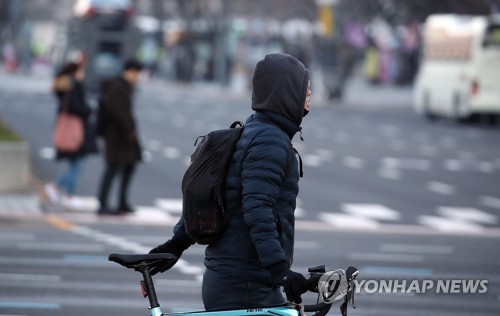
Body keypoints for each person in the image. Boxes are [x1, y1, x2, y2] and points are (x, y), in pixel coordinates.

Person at [149, 53, 312, 310]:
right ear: (286, 92)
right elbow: (258, 208)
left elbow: (219, 196)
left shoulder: (253, 132)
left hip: (236, 277)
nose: (309, 94)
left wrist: (176, 244)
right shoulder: (269, 141)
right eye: (304, 88)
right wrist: (279, 269)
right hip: (246, 283)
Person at [96, 59, 144, 215]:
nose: (137, 77)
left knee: (128, 166)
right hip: (117, 136)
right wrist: (129, 131)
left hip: (120, 135)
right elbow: (118, 112)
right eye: (137, 74)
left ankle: (121, 202)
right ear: (130, 71)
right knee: (113, 168)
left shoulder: (122, 86)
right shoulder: (118, 87)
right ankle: (103, 203)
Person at [45, 62, 93, 209]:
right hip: (75, 131)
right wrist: (89, 110)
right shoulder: (74, 86)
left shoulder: (64, 87)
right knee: (77, 165)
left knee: (75, 164)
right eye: (81, 70)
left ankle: (70, 196)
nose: (83, 73)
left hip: (68, 130)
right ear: (75, 72)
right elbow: (77, 107)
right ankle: (56, 187)